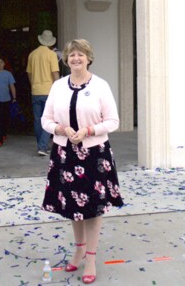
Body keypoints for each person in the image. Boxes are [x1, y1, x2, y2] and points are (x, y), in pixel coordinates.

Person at [41, 39, 123, 284]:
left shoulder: (100, 86)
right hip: (65, 153)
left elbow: (113, 121)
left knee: (93, 208)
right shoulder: (58, 86)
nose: (76, 58)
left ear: (88, 58)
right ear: (66, 60)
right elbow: (45, 120)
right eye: (71, 55)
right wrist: (61, 129)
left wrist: (88, 131)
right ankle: (78, 249)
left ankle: (90, 258)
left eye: (80, 54)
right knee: (72, 207)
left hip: (94, 154)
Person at [26, 30, 60, 156]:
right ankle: (42, 146)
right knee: (49, 119)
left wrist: (34, 85)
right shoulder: (51, 55)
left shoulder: (32, 54)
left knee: (37, 119)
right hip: (48, 91)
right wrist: (58, 89)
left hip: (35, 91)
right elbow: (55, 73)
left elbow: (29, 73)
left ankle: (41, 145)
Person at [0, 57, 17, 147]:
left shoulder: (8, 74)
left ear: (4, 64)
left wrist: (14, 98)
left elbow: (12, 86)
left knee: (5, 118)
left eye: (1, 62)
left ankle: (3, 134)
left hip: (6, 99)